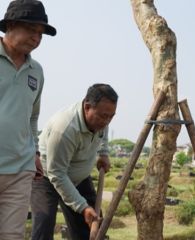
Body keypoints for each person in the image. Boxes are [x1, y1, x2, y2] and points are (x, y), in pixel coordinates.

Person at [31, 84, 118, 240]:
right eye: (103, 116)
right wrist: (82, 207)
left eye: (111, 116)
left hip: (79, 177)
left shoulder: (101, 118)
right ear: (87, 107)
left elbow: (103, 130)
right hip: (48, 177)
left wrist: (103, 153)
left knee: (92, 226)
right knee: (43, 227)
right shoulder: (64, 129)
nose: (107, 122)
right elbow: (57, 174)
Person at [0, 1, 56, 239]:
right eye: (31, 30)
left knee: (12, 235)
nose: (36, 38)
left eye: (41, 34)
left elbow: (32, 116)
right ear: (10, 25)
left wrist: (33, 153)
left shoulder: (37, 71)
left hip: (20, 170)